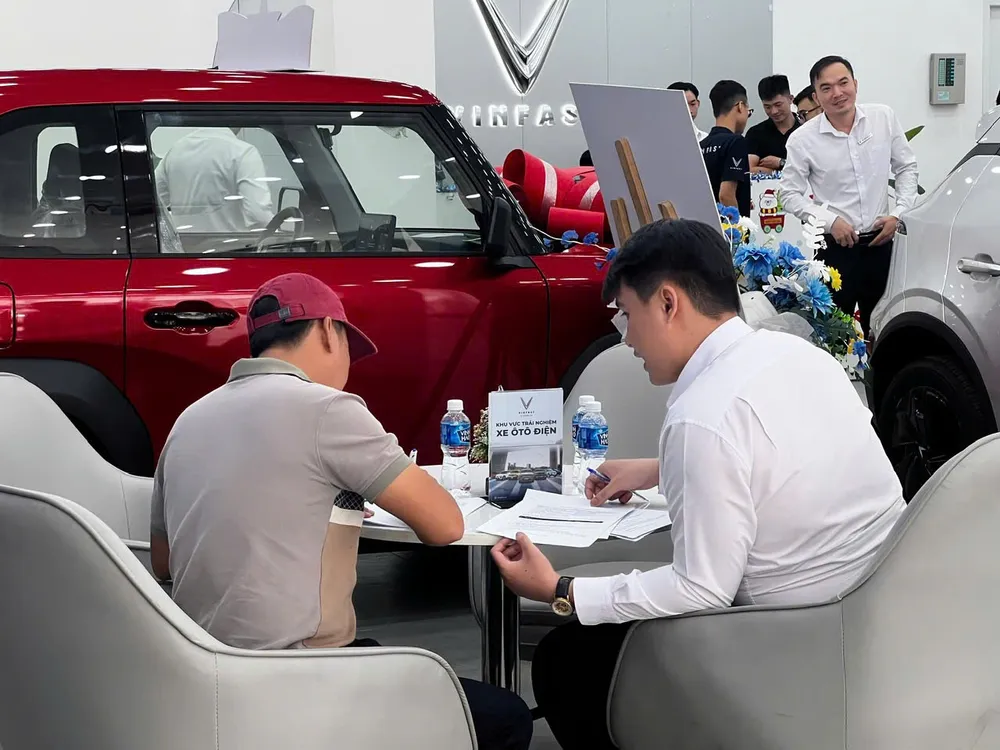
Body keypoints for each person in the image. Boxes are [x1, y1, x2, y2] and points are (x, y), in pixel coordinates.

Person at [490, 219, 906, 750]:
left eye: (627, 314)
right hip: (881, 615)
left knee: (567, 662)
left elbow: (701, 591)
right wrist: (658, 467)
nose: (626, 337)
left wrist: (560, 590)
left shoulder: (702, 414)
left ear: (668, 303)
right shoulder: (801, 356)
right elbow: (782, 467)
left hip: (792, 640)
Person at [150, 273, 533, 750]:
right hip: (300, 675)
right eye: (350, 348)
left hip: (205, 678)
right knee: (504, 717)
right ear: (329, 332)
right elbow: (445, 525)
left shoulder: (188, 420)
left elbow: (164, 561)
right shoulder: (327, 408)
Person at [780, 55, 918, 337]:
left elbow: (906, 167)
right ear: (816, 96)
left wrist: (899, 214)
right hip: (834, 251)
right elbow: (789, 193)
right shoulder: (802, 139)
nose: (837, 93)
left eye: (843, 83)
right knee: (833, 334)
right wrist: (830, 221)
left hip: (881, 245)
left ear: (855, 84)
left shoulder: (882, 118)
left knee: (884, 331)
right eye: (826, 88)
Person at [154, 126, 274, 233]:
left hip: (181, 248)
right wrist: (279, 234)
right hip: (231, 248)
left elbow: (152, 199)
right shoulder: (242, 152)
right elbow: (258, 216)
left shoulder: (175, 152)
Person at [700, 80, 752, 216]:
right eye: (749, 112)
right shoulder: (736, 142)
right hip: (727, 226)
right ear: (740, 106)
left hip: (704, 223)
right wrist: (738, 225)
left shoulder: (701, 145)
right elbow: (726, 195)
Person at [745, 74, 799, 173]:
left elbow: (814, 168)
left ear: (791, 99)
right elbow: (749, 170)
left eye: (778, 105)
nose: (774, 111)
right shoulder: (756, 133)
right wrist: (781, 172)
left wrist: (781, 163)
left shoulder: (804, 129)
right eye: (767, 107)